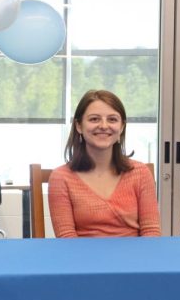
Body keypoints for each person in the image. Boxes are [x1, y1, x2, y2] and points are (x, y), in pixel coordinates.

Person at [48, 90, 160, 237]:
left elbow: (151, 232)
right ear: (79, 126)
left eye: (112, 119)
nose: (103, 125)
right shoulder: (60, 178)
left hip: (135, 258)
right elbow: (66, 239)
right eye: (94, 119)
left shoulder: (140, 173)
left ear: (121, 127)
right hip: (82, 258)